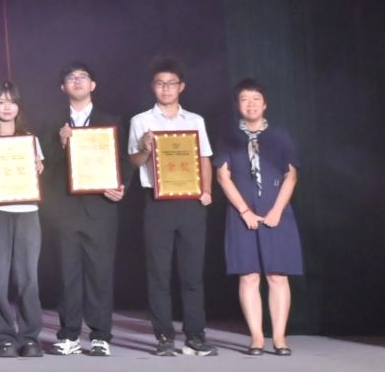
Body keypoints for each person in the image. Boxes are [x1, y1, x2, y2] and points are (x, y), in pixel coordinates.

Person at [127, 58, 215, 356]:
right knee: (159, 273)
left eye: (171, 83)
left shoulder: (195, 121)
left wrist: (207, 190)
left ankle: (196, 336)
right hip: (157, 203)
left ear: (181, 87)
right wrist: (144, 148)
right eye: (160, 83)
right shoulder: (141, 121)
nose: (166, 89)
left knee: (192, 274)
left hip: (190, 202)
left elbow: (204, 158)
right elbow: (133, 162)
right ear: (153, 87)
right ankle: (164, 336)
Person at [215, 78, 300, 356]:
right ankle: (256, 337)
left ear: (265, 104)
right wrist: (244, 211)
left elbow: (291, 176)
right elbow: (223, 176)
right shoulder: (228, 136)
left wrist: (276, 211)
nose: (250, 104)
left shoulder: (280, 136)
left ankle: (280, 338)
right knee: (249, 276)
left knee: (277, 275)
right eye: (244, 99)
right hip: (242, 214)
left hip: (278, 213)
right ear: (237, 105)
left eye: (255, 99)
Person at [43, 62, 124, 356]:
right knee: (68, 274)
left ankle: (101, 336)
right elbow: (42, 167)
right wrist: (60, 143)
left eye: (83, 77)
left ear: (93, 85)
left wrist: (121, 185)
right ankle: (69, 335)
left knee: (100, 273)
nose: (77, 81)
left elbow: (124, 160)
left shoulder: (110, 121)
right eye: (71, 77)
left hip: (100, 208)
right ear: (63, 87)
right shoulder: (51, 123)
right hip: (64, 209)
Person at [0, 82, 45, 357]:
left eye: (11, 102)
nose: (6, 107)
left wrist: (38, 168)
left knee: (28, 278)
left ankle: (29, 338)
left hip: (27, 213)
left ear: (19, 107)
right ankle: (3, 337)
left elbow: (35, 179)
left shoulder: (30, 139)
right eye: (1, 101)